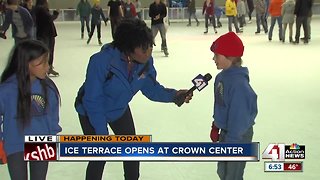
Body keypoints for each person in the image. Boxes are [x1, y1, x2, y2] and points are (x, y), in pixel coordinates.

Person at [75, 18, 192, 180]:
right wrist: (102, 136)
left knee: (132, 150)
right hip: (91, 112)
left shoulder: (145, 62)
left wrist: (174, 95)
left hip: (118, 109)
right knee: (99, 156)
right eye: (144, 48)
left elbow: (151, 88)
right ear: (128, 48)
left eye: (151, 45)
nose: (149, 51)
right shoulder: (101, 62)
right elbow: (93, 101)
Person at [0, 39, 62, 180]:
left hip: (41, 143)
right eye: (42, 63)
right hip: (15, 143)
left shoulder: (48, 88)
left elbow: (53, 116)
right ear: (26, 63)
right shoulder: (6, 90)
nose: (47, 67)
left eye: (47, 62)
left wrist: (52, 138)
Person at [209, 32, 258, 180]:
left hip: (238, 136)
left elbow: (240, 118)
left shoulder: (239, 85)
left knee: (233, 175)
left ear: (229, 57)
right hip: (226, 132)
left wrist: (232, 144)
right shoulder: (221, 77)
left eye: (217, 55)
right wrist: (216, 125)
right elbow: (221, 105)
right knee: (223, 172)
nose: (213, 59)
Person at [34, 0, 59, 76]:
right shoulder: (41, 9)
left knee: (46, 51)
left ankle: (47, 67)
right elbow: (50, 19)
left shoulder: (39, 9)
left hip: (43, 34)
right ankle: (47, 68)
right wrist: (56, 13)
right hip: (46, 34)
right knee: (48, 51)